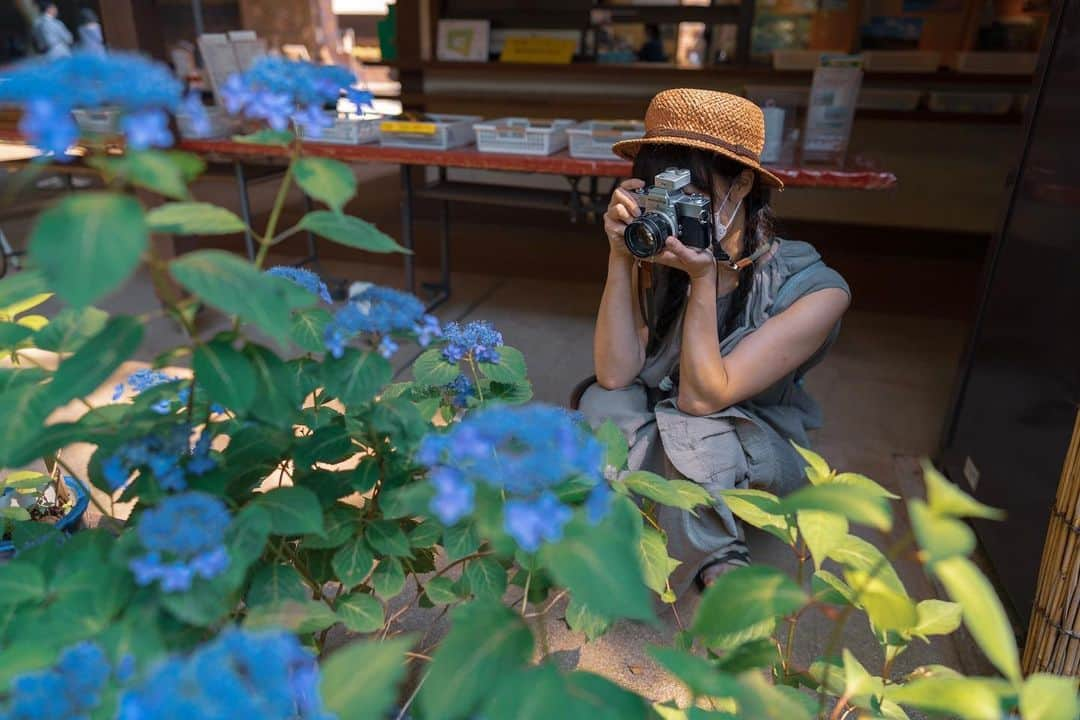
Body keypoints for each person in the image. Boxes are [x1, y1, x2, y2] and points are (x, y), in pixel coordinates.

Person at [578, 89, 850, 595]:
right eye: (661, 189)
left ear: (743, 184)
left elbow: (702, 398)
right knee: (602, 399)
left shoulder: (816, 291)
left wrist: (702, 282)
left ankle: (719, 547)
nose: (671, 208)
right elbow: (616, 375)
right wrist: (619, 258)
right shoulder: (657, 247)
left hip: (748, 435)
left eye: (690, 192)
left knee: (692, 428)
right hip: (667, 409)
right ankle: (647, 514)